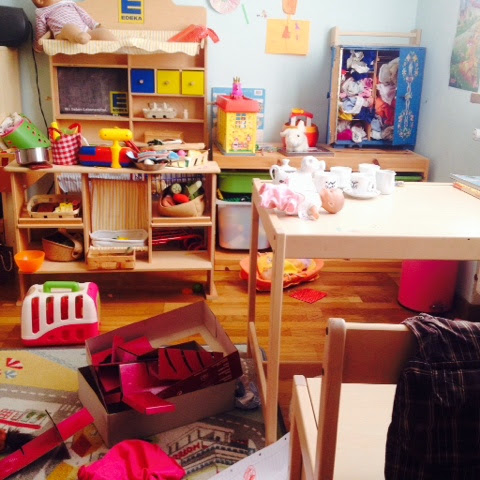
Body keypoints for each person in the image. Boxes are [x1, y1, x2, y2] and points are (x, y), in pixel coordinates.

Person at [32, 0, 116, 52]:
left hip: (85, 31)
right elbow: (41, 30)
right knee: (69, 27)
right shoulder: (42, 11)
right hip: (62, 33)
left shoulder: (70, 3)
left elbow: (85, 17)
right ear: (40, 1)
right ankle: (79, 37)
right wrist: (39, 46)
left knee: (102, 33)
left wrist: (96, 26)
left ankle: (116, 44)